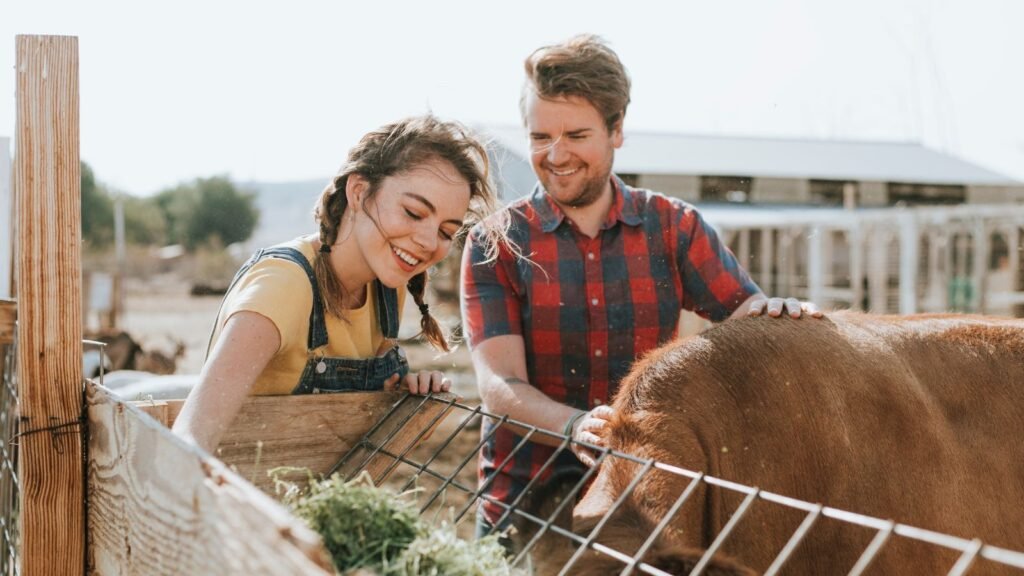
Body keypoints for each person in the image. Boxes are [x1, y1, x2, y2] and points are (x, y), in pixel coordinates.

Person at [459, 35, 823, 538]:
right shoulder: (496, 242)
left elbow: (744, 313)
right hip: (524, 505)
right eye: (540, 136)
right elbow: (499, 386)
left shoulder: (672, 227)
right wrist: (574, 425)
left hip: (642, 506)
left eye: (576, 135)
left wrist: (774, 312)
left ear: (617, 131)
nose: (555, 154)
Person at [174, 115, 506, 453]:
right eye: (413, 212)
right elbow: (191, 435)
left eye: (446, 232)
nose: (427, 240)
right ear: (359, 192)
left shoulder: (386, 289)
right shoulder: (283, 285)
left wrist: (402, 399)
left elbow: (354, 425)